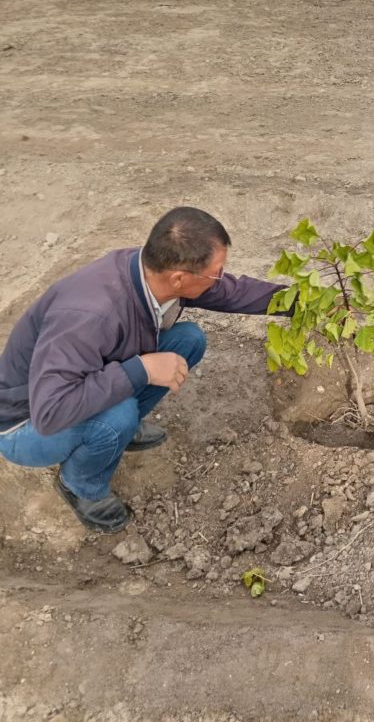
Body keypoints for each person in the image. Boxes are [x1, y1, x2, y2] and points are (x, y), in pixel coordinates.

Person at [0, 207, 286, 534]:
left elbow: (232, 292)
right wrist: (141, 370)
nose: (221, 278)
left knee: (188, 340)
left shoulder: (150, 273)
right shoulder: (89, 315)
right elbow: (51, 412)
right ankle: (80, 484)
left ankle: (118, 429)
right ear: (179, 278)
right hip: (25, 424)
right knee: (118, 416)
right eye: (215, 273)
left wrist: (298, 301)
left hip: (78, 385)